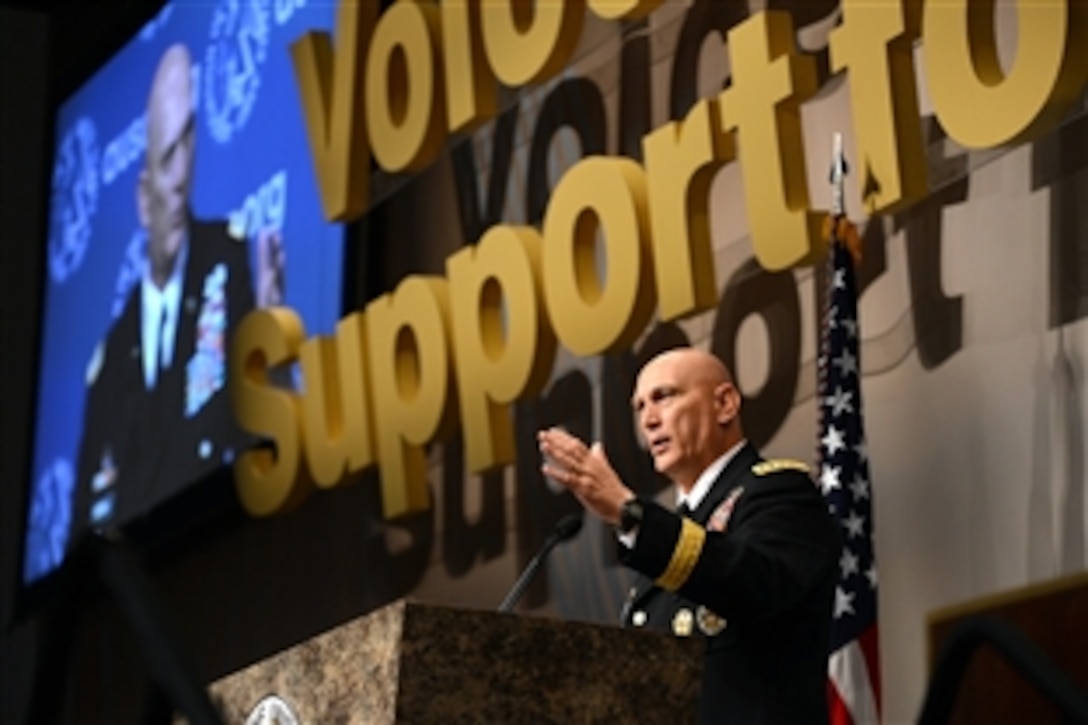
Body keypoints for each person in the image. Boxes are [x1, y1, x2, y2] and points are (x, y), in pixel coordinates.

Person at [538, 347, 841, 724]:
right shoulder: (671, 531)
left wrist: (630, 515)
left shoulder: (779, 492)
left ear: (725, 404)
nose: (648, 420)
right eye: (640, 407)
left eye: (664, 396)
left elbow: (748, 581)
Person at [72, 43, 283, 532]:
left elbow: (266, 424)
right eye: (168, 157)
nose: (181, 176)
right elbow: (82, 533)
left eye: (189, 142)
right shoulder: (111, 358)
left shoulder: (231, 263)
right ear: (142, 198)